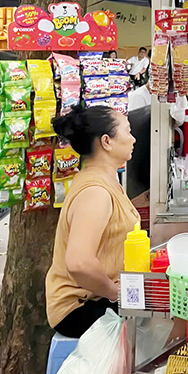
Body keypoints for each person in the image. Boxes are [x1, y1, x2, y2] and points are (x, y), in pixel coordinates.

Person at [45, 105, 139, 338]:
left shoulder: (107, 180)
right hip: (79, 307)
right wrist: (115, 293)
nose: (134, 139)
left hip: (98, 296)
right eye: (127, 132)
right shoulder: (95, 193)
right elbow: (79, 263)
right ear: (107, 142)